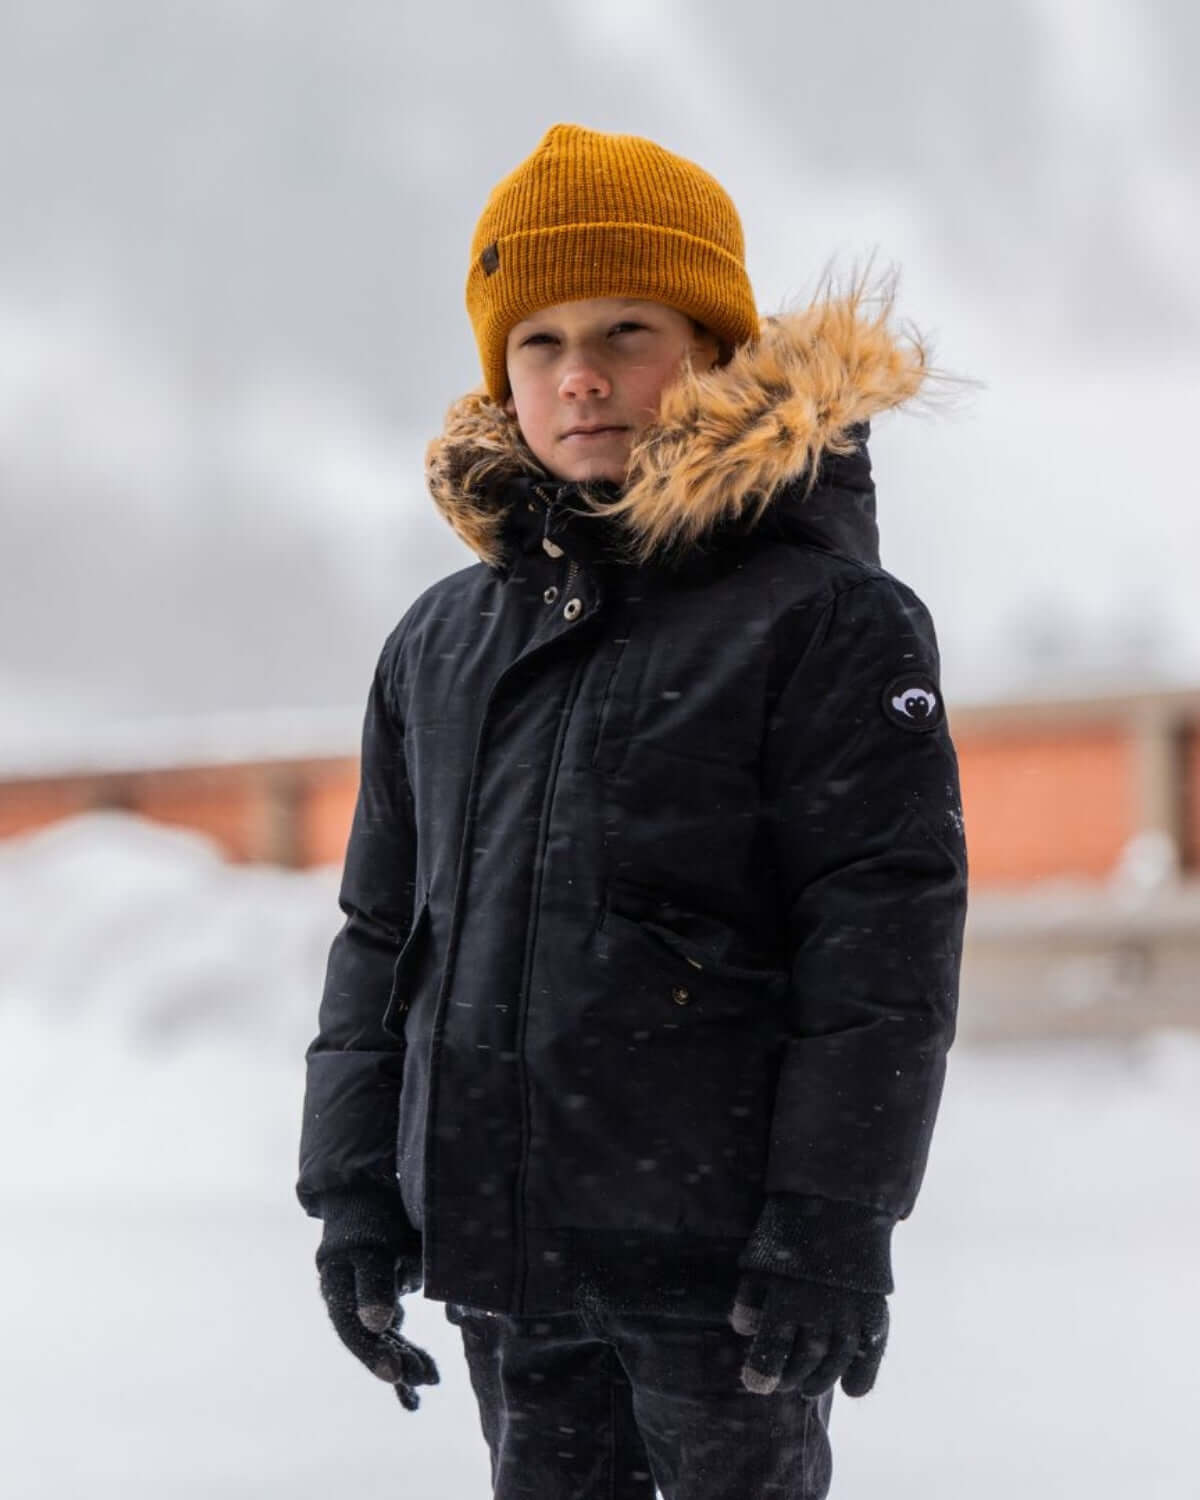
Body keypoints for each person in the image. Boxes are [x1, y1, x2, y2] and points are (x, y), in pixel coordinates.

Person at [297, 122, 969, 1499]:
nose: (582, 374)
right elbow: (382, 938)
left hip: (719, 1283)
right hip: (504, 1263)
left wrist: (834, 1225)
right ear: (500, 373)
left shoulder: (825, 622)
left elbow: (882, 951)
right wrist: (358, 1198)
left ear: (713, 345)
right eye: (536, 341)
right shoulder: (440, 644)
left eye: (627, 327)